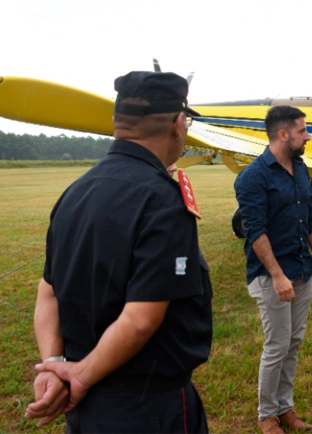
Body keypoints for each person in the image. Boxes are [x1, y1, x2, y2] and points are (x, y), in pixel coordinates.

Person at [24, 71, 213, 433]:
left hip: (86, 408)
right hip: (148, 409)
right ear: (178, 124)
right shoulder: (164, 202)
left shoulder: (74, 193)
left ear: (116, 122)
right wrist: (77, 375)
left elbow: (48, 291)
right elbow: (141, 319)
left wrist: (55, 363)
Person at [234, 105, 312, 434]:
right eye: (303, 131)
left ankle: (285, 408)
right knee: (277, 344)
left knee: (294, 340)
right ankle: (266, 415)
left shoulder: (301, 168)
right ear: (283, 134)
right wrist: (276, 275)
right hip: (271, 274)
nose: (308, 136)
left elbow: (311, 217)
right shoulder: (253, 177)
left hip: (302, 268)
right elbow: (255, 231)